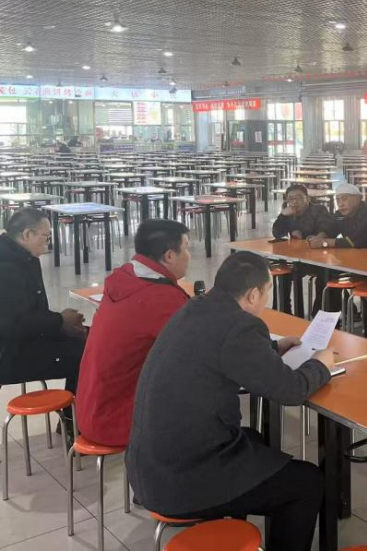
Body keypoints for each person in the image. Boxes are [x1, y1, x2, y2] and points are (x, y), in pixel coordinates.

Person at [127, 252, 335, 551]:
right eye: (267, 293)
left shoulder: (195, 308)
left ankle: (233, 521)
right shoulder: (240, 326)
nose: (265, 302)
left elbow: (220, 350)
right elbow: (291, 391)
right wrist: (320, 365)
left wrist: (272, 348)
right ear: (253, 294)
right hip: (181, 480)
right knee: (307, 483)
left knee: (254, 441)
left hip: (151, 466)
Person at [75, 220, 191, 448]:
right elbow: (198, 348)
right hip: (120, 419)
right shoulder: (161, 298)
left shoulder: (126, 278)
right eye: (186, 248)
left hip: (92, 408)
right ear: (169, 256)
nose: (189, 256)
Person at [0, 208, 86, 410]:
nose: (48, 243)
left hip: (27, 340)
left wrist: (62, 326)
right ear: (27, 234)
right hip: (10, 354)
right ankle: (72, 420)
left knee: (89, 339)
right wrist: (60, 320)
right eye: (45, 237)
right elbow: (14, 325)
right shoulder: (6, 267)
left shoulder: (25, 257)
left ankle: (74, 417)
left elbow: (33, 312)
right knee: (86, 354)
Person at [307, 182, 367, 250]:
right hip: (358, 254)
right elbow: (330, 229)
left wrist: (324, 243)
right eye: (338, 200)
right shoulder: (339, 214)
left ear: (358, 199)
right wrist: (318, 237)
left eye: (344, 198)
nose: (341, 204)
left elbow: (354, 241)